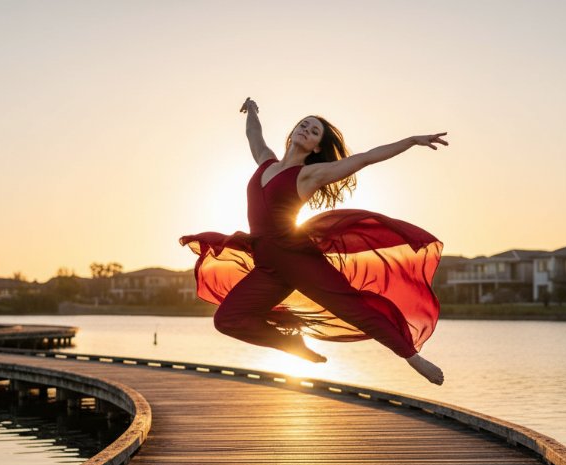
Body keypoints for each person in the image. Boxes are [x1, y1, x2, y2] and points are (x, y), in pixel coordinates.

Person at [180, 98, 446, 385]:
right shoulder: (265, 162)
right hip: (267, 263)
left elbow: (366, 158)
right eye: (303, 125)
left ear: (317, 147)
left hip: (296, 257)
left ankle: (413, 358)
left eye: (314, 131)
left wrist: (411, 140)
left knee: (353, 307)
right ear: (293, 133)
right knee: (226, 320)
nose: (306, 130)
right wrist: (253, 110)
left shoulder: (310, 174)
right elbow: (253, 135)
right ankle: (291, 344)